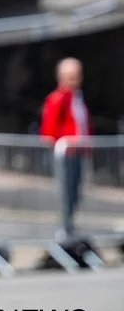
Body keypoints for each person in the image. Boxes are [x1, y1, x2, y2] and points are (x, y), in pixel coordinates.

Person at [40, 57, 91, 237]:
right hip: (65, 153)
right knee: (66, 192)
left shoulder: (77, 98)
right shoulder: (58, 98)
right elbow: (49, 127)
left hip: (77, 152)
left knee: (75, 192)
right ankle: (64, 228)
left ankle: (70, 227)